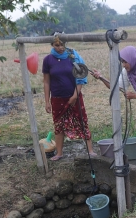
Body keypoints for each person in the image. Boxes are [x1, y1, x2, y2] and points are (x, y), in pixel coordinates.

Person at [43, 33, 96, 161]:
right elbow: (46, 82)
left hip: (74, 96)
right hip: (57, 98)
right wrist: (47, 101)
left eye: (62, 44)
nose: (60, 48)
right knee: (58, 125)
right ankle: (59, 153)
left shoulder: (72, 57)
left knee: (81, 121)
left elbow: (81, 76)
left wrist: (75, 95)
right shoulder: (48, 60)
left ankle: (91, 150)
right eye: (57, 45)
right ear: (52, 45)